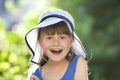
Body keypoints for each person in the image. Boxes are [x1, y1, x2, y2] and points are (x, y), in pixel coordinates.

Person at [25, 9, 88, 80]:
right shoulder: (35, 74)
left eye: (62, 37)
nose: (56, 43)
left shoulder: (78, 63)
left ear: (71, 40)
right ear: (40, 41)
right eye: (49, 38)